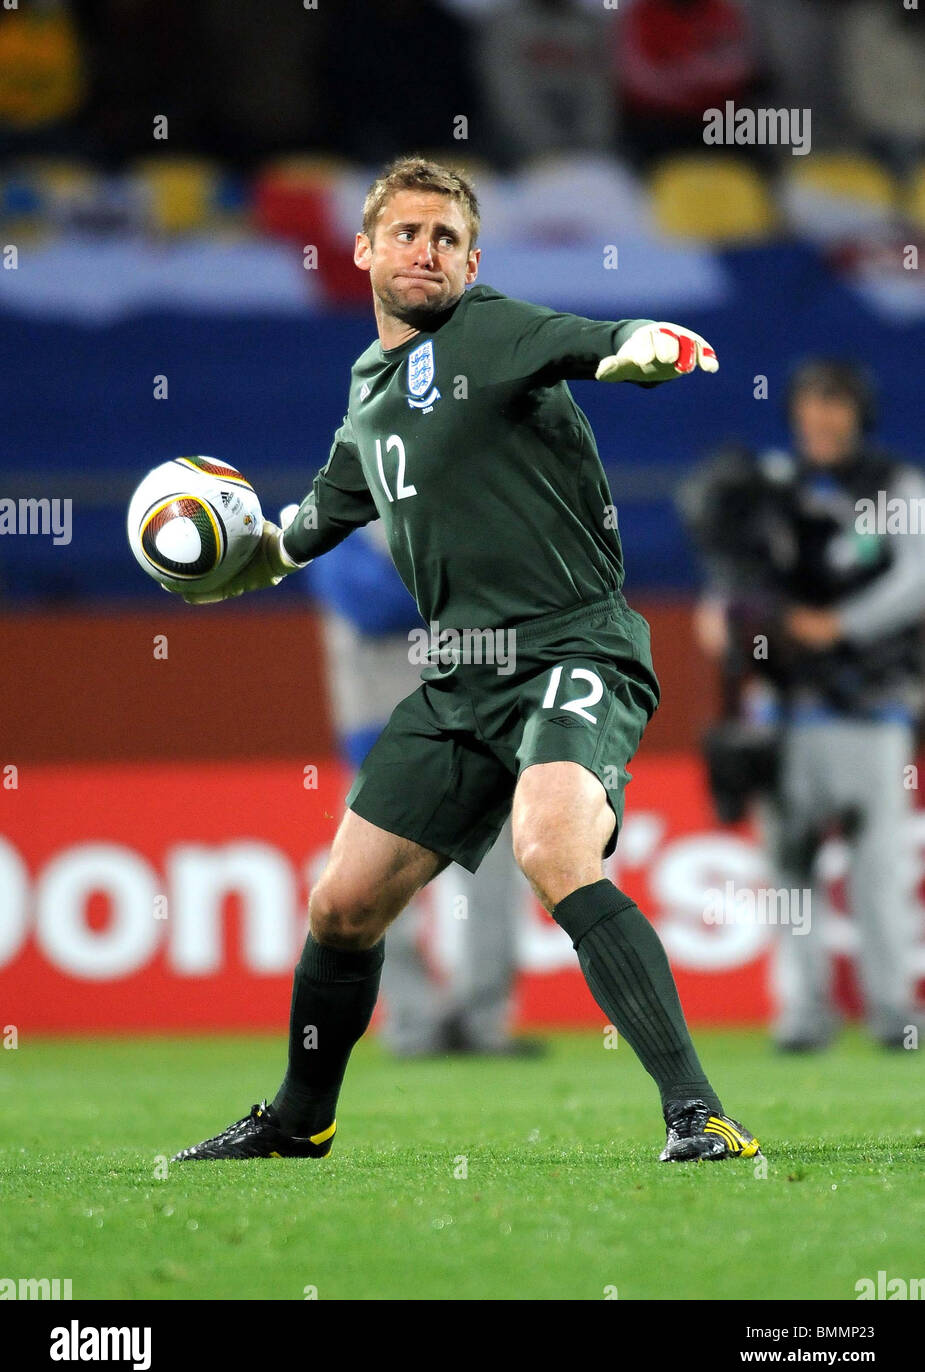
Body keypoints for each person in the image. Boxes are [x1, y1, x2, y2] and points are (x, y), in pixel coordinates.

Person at [171, 153, 759, 1163]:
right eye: (406, 232)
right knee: (342, 903)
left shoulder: (491, 329)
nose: (426, 251)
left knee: (551, 848)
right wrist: (212, 567)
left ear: (472, 260)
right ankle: (299, 1117)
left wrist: (643, 347)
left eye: (446, 238)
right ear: (362, 249)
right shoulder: (368, 393)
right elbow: (290, 538)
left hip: (575, 642)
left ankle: (696, 1114)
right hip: (460, 676)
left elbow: (600, 343)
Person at [686, 361, 925, 1050]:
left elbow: (917, 577)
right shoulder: (769, 490)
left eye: (834, 406)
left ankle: (891, 1013)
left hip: (871, 707)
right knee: (788, 872)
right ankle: (802, 1013)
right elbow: (735, 574)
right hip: (783, 712)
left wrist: (840, 624)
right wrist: (719, 613)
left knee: (878, 873)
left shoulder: (893, 485)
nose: (819, 420)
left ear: (858, 412)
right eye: (808, 408)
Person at [296, 516, 540, 1057]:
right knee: (371, 892)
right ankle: (413, 1022)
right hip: (380, 735)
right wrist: (461, 586)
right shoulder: (339, 534)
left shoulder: (461, 517)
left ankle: (484, 1022)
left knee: (493, 886)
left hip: (477, 727)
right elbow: (373, 607)